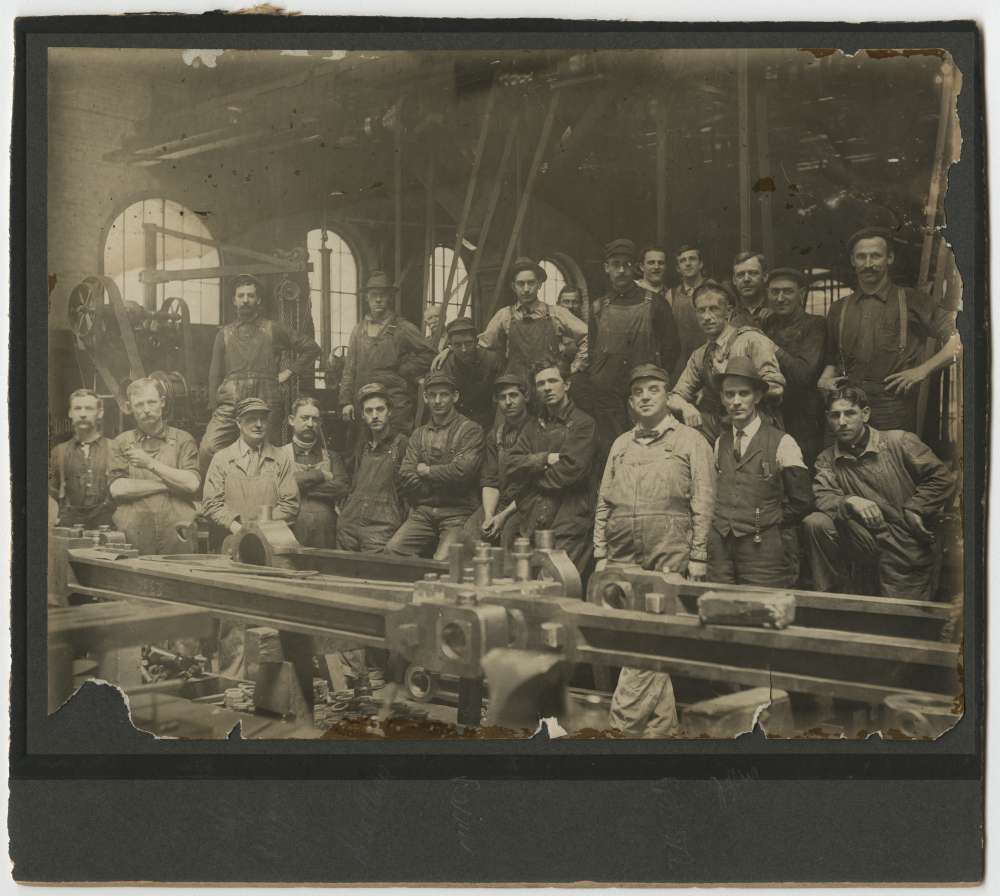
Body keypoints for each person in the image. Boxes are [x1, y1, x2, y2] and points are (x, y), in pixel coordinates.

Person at [594, 363, 715, 737]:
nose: (645, 397)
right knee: (644, 641)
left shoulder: (691, 441)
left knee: (644, 642)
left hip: (669, 551)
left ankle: (622, 728)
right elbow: (604, 501)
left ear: (667, 397)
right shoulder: (621, 444)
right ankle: (662, 731)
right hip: (622, 555)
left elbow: (704, 500)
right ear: (631, 402)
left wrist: (698, 555)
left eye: (653, 389)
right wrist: (600, 552)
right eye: (638, 392)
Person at [803, 386, 955, 600]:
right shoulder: (826, 459)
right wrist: (851, 500)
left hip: (903, 542)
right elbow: (822, 495)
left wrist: (916, 508)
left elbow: (941, 477)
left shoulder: (899, 441)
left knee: (902, 619)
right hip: (862, 540)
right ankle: (833, 595)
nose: (842, 422)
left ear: (865, 414)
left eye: (850, 413)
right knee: (816, 523)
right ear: (828, 418)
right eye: (835, 415)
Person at [816, 227, 961, 432]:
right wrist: (823, 381)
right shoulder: (839, 308)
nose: (868, 264)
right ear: (852, 261)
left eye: (875, 256)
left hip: (893, 412)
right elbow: (831, 360)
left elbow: (958, 339)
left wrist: (921, 371)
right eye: (861, 257)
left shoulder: (912, 300)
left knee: (891, 462)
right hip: (848, 410)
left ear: (889, 258)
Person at [199, 274, 321, 475]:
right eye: (241, 296)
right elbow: (214, 374)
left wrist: (288, 373)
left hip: (266, 401)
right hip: (231, 402)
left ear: (258, 300)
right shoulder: (224, 334)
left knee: (267, 456)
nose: (245, 300)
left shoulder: (273, 329)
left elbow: (311, 348)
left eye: (250, 295)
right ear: (234, 300)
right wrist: (214, 406)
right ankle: (211, 497)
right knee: (208, 448)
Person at [707, 358, 814, 587]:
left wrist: (766, 521)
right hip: (721, 551)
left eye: (743, 394)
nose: (735, 401)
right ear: (722, 398)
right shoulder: (720, 442)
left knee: (761, 610)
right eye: (729, 394)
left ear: (756, 396)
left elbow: (802, 501)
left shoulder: (782, 442)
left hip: (763, 551)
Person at [588, 238, 681, 463]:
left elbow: (671, 348)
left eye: (626, 265)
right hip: (607, 397)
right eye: (616, 264)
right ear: (606, 268)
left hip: (643, 394)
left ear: (635, 268)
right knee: (611, 451)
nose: (621, 270)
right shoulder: (598, 307)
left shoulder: (656, 303)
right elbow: (593, 350)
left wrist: (654, 380)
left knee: (649, 449)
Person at [668, 280, 785, 444]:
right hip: (724, 426)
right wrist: (686, 407)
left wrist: (741, 396)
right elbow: (674, 397)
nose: (707, 317)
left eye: (714, 309)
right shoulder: (700, 355)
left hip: (759, 423)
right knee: (679, 430)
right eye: (701, 311)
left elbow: (776, 388)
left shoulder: (751, 340)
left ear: (728, 311)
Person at [507, 363, 597, 570]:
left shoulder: (583, 424)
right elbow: (510, 465)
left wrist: (529, 476)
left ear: (566, 384)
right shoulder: (532, 426)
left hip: (569, 523)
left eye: (552, 381)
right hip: (533, 521)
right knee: (526, 588)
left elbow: (568, 473)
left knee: (556, 585)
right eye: (540, 383)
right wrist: (545, 459)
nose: (546, 388)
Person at [387, 371, 485, 560]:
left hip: (457, 513)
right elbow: (406, 473)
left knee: (443, 562)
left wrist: (427, 470)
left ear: (455, 396)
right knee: (393, 551)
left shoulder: (470, 430)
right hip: (424, 512)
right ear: (425, 397)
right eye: (432, 395)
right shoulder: (419, 434)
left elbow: (462, 472)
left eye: (444, 395)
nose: (437, 401)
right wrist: (437, 479)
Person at [108, 378, 200, 555]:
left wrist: (149, 463)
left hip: (178, 535)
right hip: (133, 535)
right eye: (139, 404)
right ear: (130, 407)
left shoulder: (183, 439)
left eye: (151, 402)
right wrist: (168, 485)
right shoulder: (121, 442)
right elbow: (118, 488)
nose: (146, 410)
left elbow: (191, 484)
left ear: (162, 402)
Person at [339, 271, 436, 435]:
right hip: (364, 403)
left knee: (397, 445)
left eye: (382, 295)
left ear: (389, 298)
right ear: (366, 298)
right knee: (361, 448)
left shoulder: (403, 328)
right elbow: (349, 369)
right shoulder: (358, 330)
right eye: (373, 295)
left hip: (394, 402)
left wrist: (405, 369)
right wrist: (346, 401)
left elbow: (430, 354)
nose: (378, 299)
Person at [202, 396, 299, 538]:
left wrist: (260, 528)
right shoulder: (221, 459)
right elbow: (211, 503)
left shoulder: (281, 458)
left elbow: (290, 505)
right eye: (251, 419)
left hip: (270, 539)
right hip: (231, 539)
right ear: (239, 423)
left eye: (263, 419)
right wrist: (238, 529)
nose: (258, 424)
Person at [477, 257, 589, 381]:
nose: (526, 289)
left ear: (539, 284)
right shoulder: (504, 315)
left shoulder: (556, 313)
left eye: (531, 283)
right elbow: (483, 347)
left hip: (548, 383)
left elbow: (588, 335)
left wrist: (576, 366)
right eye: (521, 284)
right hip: (517, 387)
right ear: (513, 286)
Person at [762, 267, 828, 467]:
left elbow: (803, 374)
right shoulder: (767, 324)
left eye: (787, 291)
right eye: (775, 292)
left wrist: (770, 346)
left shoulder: (815, 325)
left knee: (800, 472)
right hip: (772, 413)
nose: (780, 298)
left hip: (804, 417)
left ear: (801, 294)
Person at [460, 372, 532, 553]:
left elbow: (536, 485)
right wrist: (490, 515)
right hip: (501, 502)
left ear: (526, 397)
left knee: (509, 539)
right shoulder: (496, 435)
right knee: (469, 534)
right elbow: (490, 480)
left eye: (513, 395)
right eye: (502, 397)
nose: (508, 402)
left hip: (526, 503)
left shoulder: (537, 430)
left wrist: (503, 516)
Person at [336, 383, 410, 553]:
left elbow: (410, 493)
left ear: (389, 411)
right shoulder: (361, 446)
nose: (375, 415)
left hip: (381, 530)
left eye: (380, 409)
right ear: (362, 415)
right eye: (369, 411)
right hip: (349, 527)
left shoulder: (402, 444)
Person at [280, 396, 349, 549]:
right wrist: (321, 475)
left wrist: (299, 487)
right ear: (292, 420)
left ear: (320, 423)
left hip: (326, 534)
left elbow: (341, 488)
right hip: (291, 533)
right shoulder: (279, 456)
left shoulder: (332, 456)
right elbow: (278, 486)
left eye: (315, 419)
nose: (310, 424)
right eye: (305, 418)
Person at [49, 388, 115, 528]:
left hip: (107, 527)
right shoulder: (58, 451)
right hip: (69, 528)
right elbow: (50, 494)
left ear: (100, 413)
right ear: (70, 413)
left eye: (89, 408)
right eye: (78, 408)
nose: (83, 414)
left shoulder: (114, 448)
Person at [436, 317, 503, 431]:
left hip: (488, 422)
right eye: (457, 345)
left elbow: (501, 397)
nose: (463, 349)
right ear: (450, 346)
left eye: (468, 343)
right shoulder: (445, 366)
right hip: (456, 423)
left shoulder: (492, 360)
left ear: (476, 341)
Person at [664, 243, 708, 380]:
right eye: (683, 261)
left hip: (709, 360)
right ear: (678, 268)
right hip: (682, 365)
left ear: (701, 264)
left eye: (692, 259)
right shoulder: (671, 295)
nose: (688, 264)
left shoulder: (714, 288)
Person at [730, 251, 771, 328]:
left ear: (765, 277)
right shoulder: (729, 315)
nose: (746, 279)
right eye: (740, 275)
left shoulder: (777, 308)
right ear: (734, 280)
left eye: (753, 273)